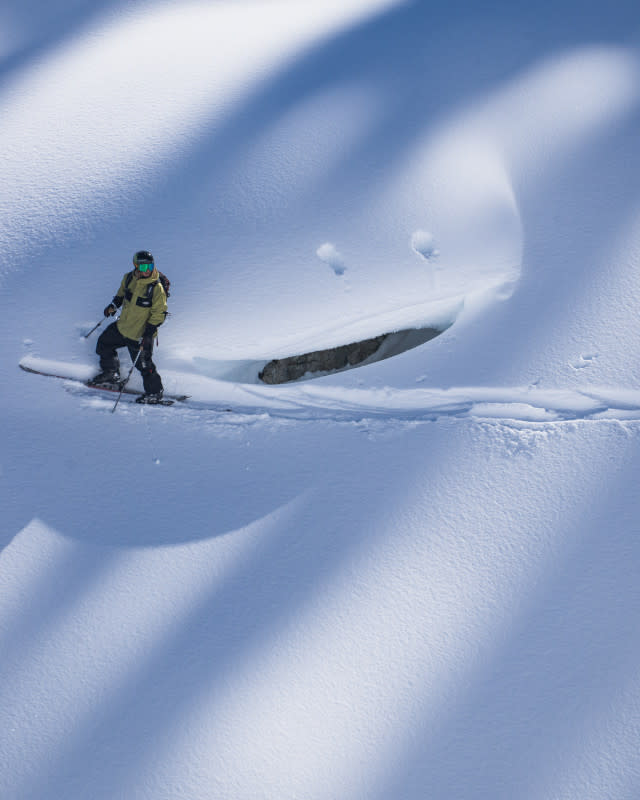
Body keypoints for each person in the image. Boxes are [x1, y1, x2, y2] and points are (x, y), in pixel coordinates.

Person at [91, 250, 168, 404]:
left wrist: (148, 334)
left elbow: (159, 313)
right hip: (122, 327)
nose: (148, 270)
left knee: (145, 366)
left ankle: (154, 393)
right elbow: (120, 295)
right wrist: (113, 305)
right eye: (144, 267)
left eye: (150, 266)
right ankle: (111, 373)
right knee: (104, 343)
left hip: (139, 334)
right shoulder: (128, 279)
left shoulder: (156, 288)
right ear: (136, 266)